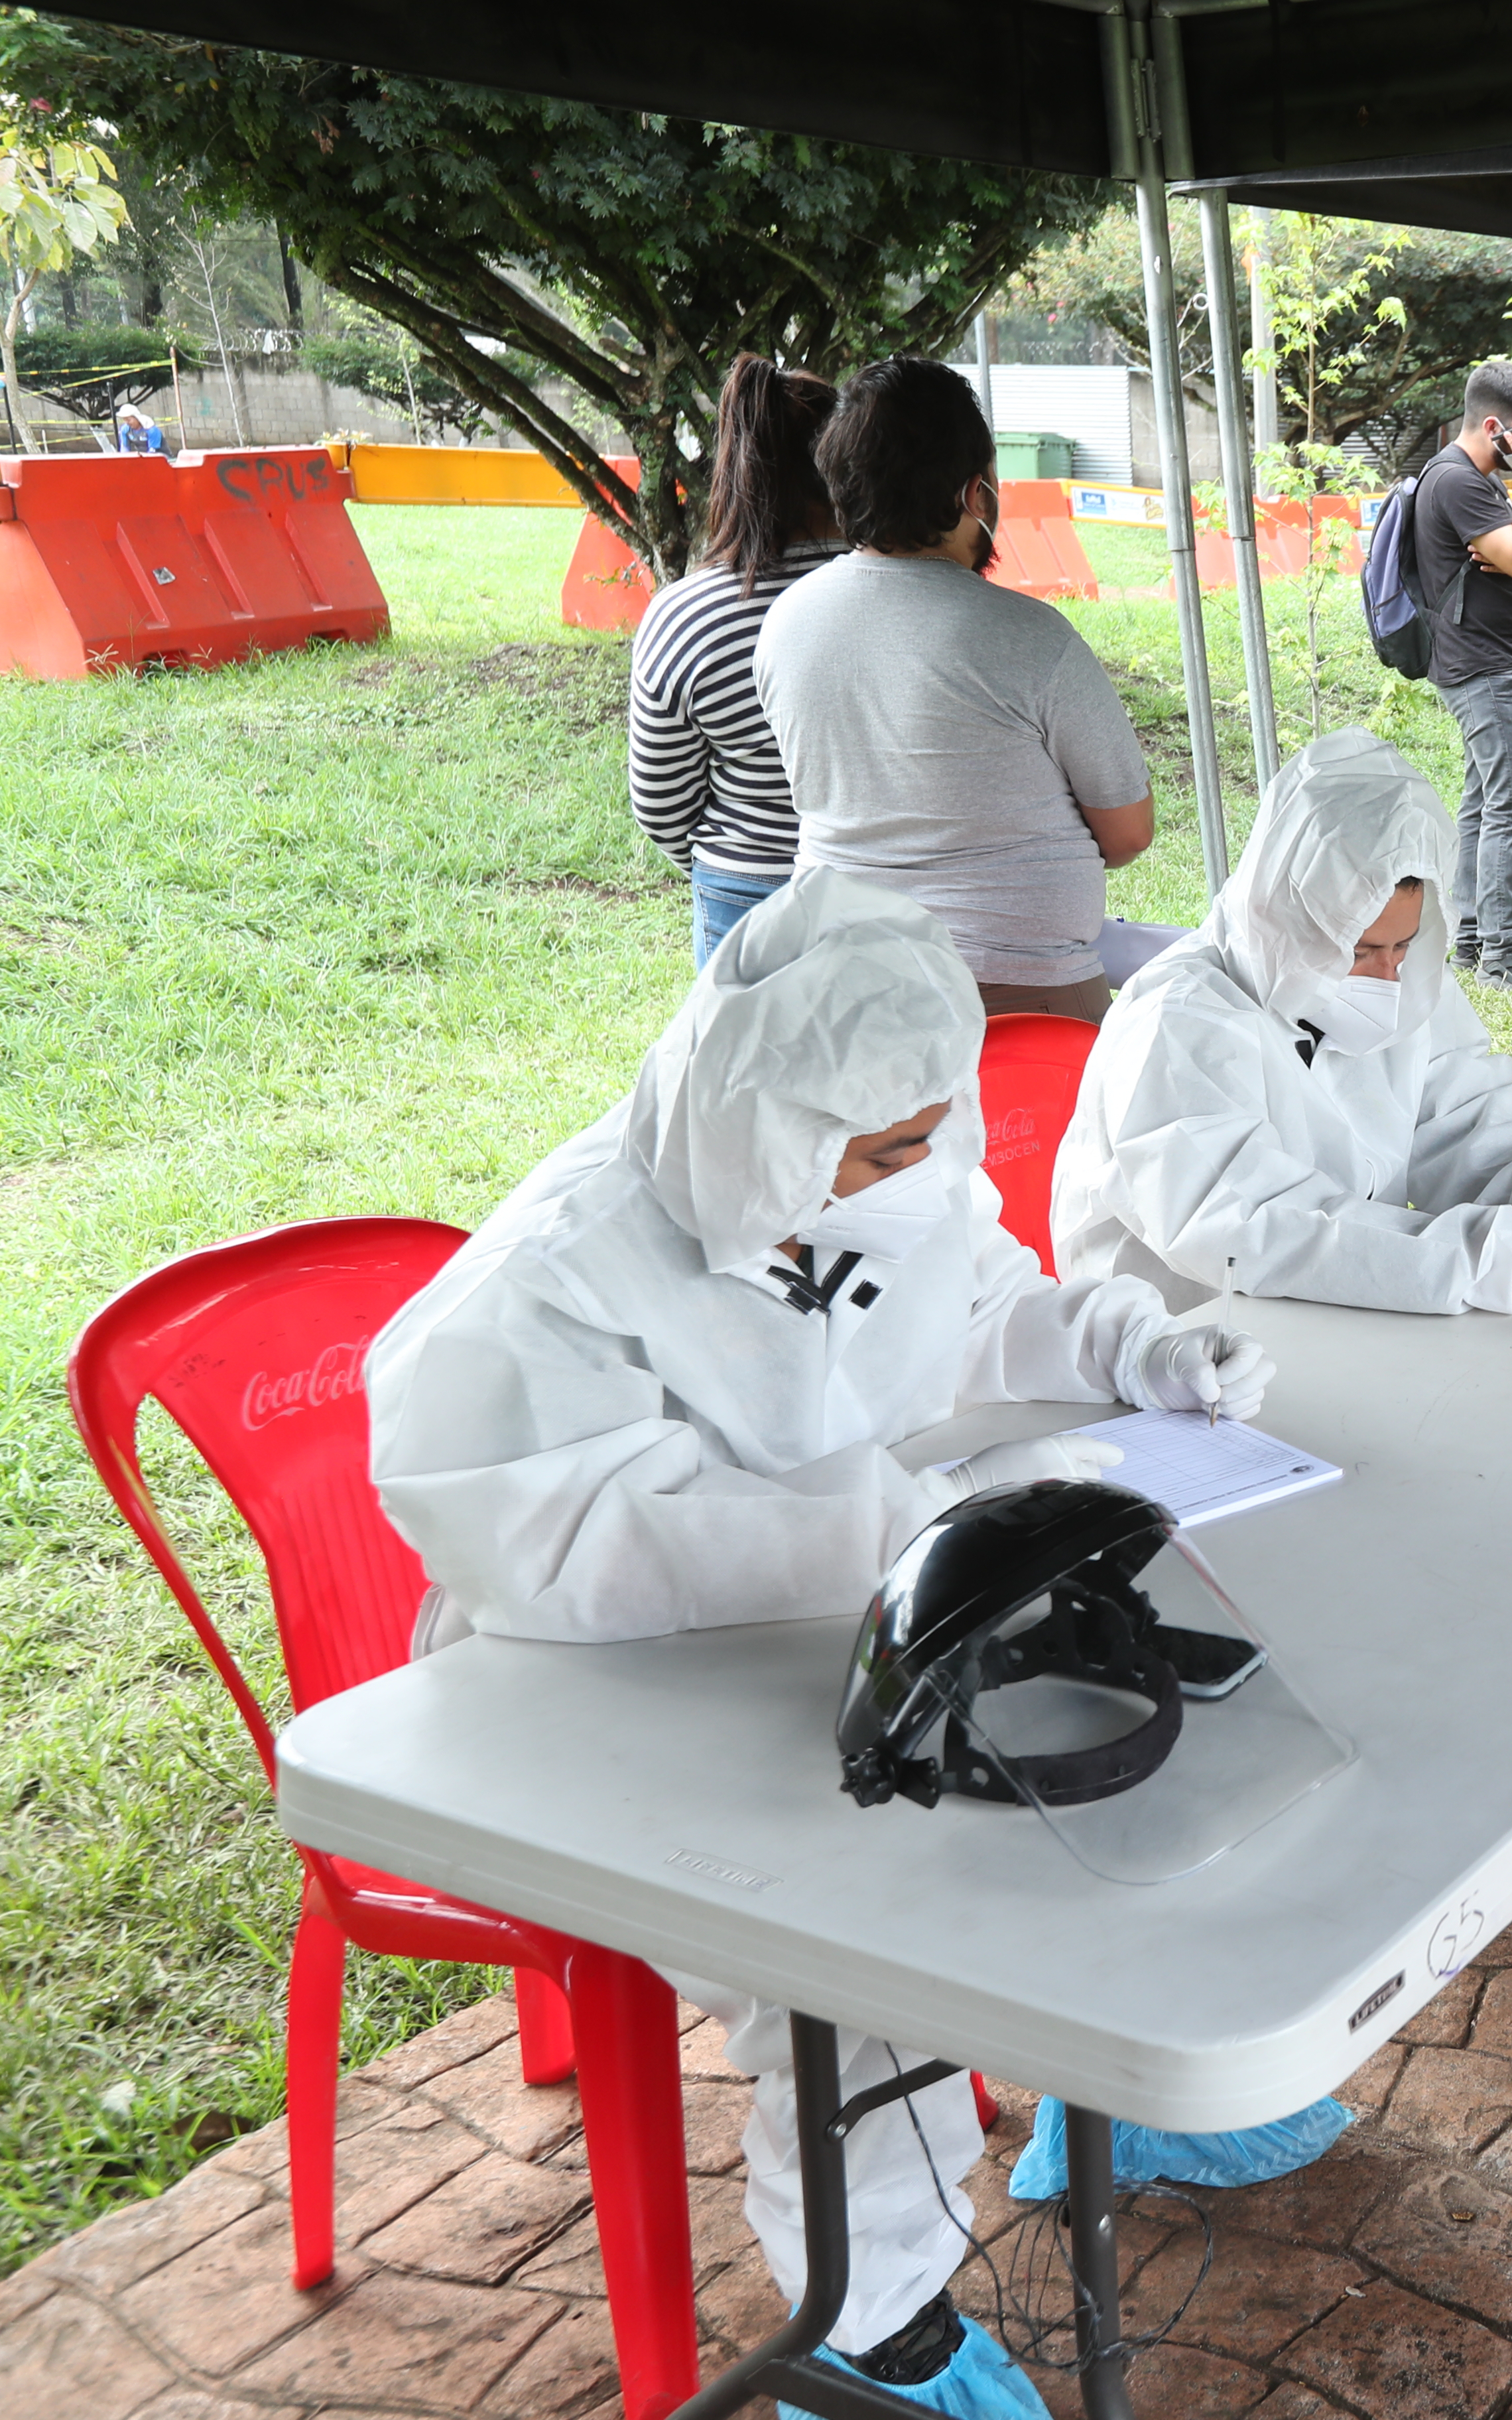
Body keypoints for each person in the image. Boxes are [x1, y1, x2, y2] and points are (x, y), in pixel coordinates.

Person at [365, 873, 1298, 2416]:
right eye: (888, 1146)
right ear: (770, 1134)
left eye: (931, 1132)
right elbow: (557, 1546)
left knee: (1088, 1805)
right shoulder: (561, 1274)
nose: (926, 1168)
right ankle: (867, 2340)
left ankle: (1119, 2106)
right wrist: (879, 1524)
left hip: (845, 1634)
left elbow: (978, 1297)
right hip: (596, 1707)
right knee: (861, 1964)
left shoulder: (878, 1165)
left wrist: (1134, 1343)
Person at [1054, 729, 1512, 1313]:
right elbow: (1249, 1225)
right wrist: (1479, 1260)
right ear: (1287, 918)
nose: (1387, 976)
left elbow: (1480, 1126)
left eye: (1402, 946)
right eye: (1362, 951)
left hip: (1336, 1329)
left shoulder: (1402, 980)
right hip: (1171, 1357)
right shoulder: (1178, 1024)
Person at [755, 358, 1154, 1022]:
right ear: (977, 495)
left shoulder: (786, 623)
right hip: (1025, 998)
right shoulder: (1029, 638)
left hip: (844, 987)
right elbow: (1129, 832)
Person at [631, 356, 843, 963]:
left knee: (746, 1060)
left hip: (742, 894)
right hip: (880, 890)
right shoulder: (892, 596)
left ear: (733, 472)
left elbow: (661, 802)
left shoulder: (684, 614)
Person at [1409, 364, 1512, 998]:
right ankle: (1505, 954)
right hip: (1482, 667)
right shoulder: (1459, 482)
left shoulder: (1467, 476)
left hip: (1482, 661)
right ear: (1497, 426)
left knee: (1484, 800)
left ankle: (1472, 938)